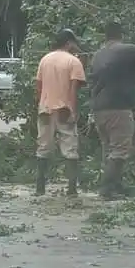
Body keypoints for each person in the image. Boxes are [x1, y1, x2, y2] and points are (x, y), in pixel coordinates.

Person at [89, 22, 135, 200]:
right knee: (121, 150)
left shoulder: (97, 55)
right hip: (118, 106)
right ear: (121, 35)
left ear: (105, 36)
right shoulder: (126, 49)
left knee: (110, 150)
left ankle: (117, 186)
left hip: (98, 107)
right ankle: (106, 190)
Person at [34, 29, 87, 196]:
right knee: (70, 148)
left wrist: (40, 105)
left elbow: (39, 86)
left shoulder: (45, 60)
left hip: (45, 109)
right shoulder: (74, 61)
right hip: (64, 109)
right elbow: (73, 89)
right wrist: (73, 110)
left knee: (43, 147)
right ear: (69, 43)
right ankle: (71, 189)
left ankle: (39, 189)